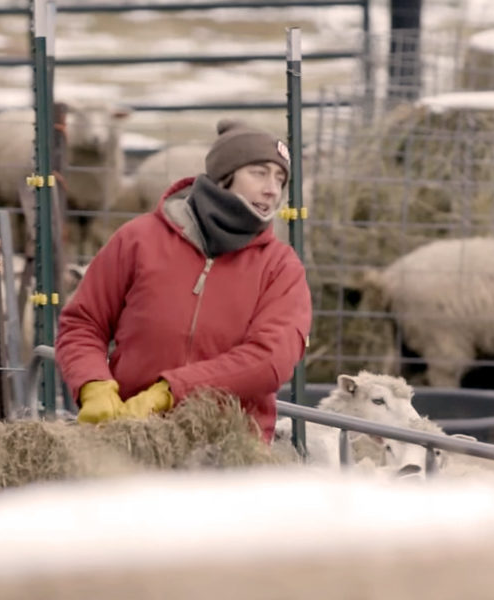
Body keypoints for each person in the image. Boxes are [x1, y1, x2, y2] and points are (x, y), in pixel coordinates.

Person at [54, 118, 313, 441]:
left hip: (227, 450)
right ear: (224, 176)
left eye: (280, 179)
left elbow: (270, 359)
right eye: (259, 173)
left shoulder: (281, 268)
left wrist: (171, 392)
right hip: (127, 435)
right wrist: (93, 383)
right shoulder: (138, 240)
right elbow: (83, 323)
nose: (272, 189)